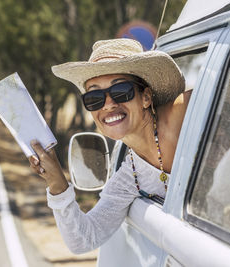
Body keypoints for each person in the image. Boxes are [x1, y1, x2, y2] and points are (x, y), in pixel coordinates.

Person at [28, 38, 191, 254]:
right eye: (94, 97)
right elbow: (84, 239)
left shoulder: (187, 112)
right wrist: (57, 183)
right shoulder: (131, 176)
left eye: (121, 91)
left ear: (146, 97)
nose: (108, 104)